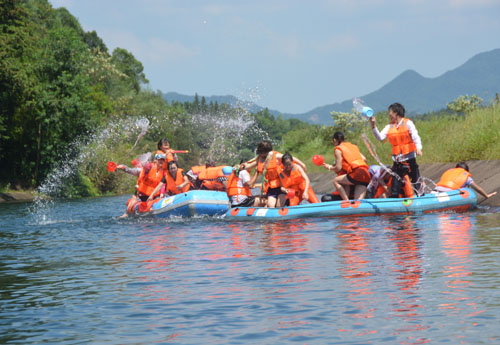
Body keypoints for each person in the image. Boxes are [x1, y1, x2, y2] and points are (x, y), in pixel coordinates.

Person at [369, 102, 423, 197]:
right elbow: (380, 137)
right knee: (394, 190)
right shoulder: (389, 126)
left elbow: (415, 136)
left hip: (410, 161)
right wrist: (373, 126)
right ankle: (395, 203)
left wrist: (418, 147)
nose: (389, 114)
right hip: (397, 163)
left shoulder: (408, 123)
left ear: (396, 113)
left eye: (390, 112)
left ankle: (422, 198)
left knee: (417, 185)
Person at [241, 140, 306, 208]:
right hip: (272, 187)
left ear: (265, 152)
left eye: (261, 152)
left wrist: (302, 164)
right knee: (270, 205)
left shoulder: (276, 156)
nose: (260, 154)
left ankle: (290, 201)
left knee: (278, 205)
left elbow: (290, 158)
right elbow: (249, 165)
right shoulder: (260, 159)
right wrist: (239, 167)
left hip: (282, 186)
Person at [322, 132, 370, 201]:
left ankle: (346, 201)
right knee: (358, 202)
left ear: (335, 140)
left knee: (336, 181)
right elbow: (364, 159)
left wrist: (330, 167)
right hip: (366, 173)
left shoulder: (338, 149)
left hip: (356, 173)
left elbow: (338, 167)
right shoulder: (353, 146)